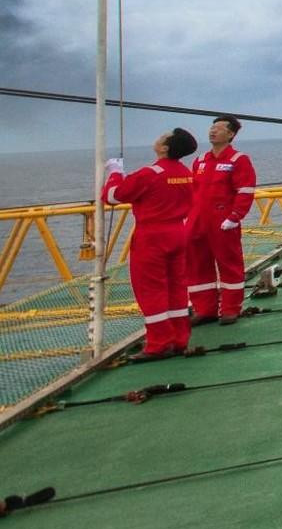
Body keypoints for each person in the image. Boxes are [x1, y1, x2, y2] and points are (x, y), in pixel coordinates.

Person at [102, 128, 198, 360]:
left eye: (163, 136)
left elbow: (113, 195)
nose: (159, 137)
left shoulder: (150, 173)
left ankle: (158, 343)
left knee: (151, 290)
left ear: (165, 147)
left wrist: (115, 172)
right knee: (176, 287)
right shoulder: (186, 173)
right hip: (178, 231)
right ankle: (178, 339)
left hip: (152, 235)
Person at [187, 115, 257, 325]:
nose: (213, 131)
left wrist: (235, 217)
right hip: (198, 220)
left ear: (231, 134)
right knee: (197, 265)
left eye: (219, 128)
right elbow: (192, 191)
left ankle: (230, 309)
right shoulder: (200, 161)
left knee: (229, 263)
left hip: (222, 220)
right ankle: (204, 309)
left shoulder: (238, 160)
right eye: (212, 127)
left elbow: (245, 190)